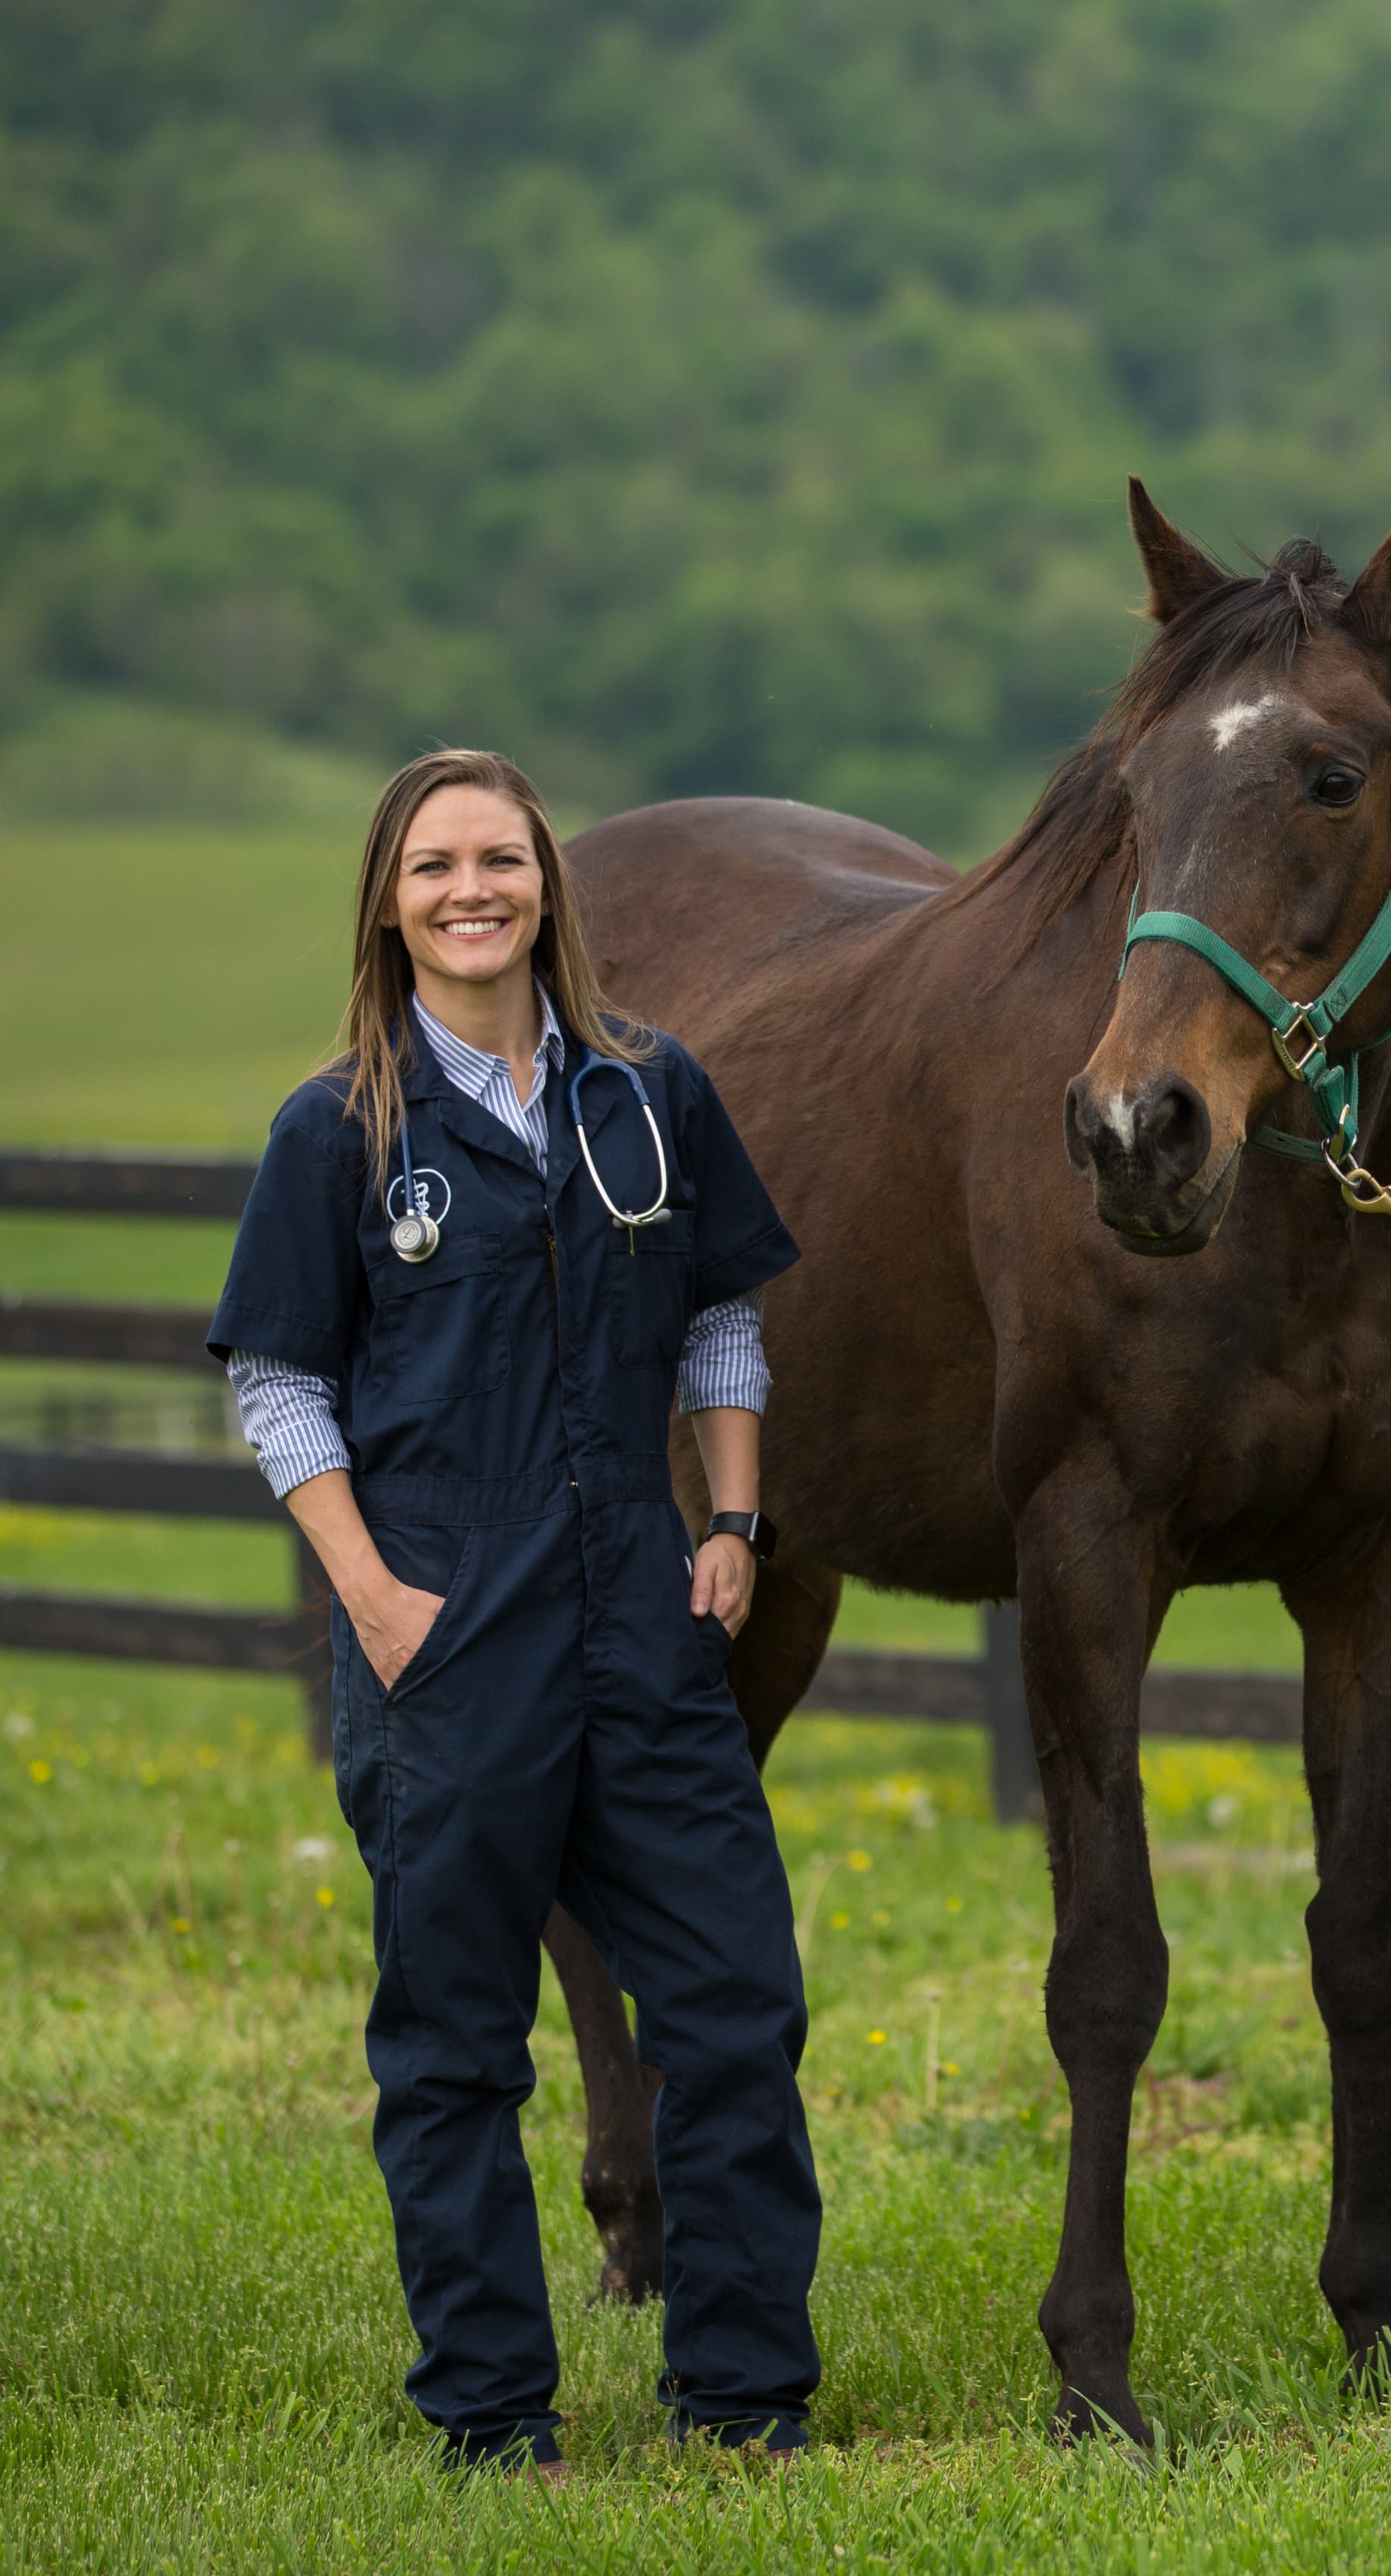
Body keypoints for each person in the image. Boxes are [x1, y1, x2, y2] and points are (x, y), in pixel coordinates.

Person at [207, 749, 820, 2474]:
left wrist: (736, 1514)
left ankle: (745, 2395)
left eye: (501, 860)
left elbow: (720, 1323)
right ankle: (492, 2416)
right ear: (388, 902)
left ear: (547, 884)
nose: (471, 891)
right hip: (443, 1618)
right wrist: (378, 1602)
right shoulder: (336, 1128)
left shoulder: (652, 1093)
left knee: (732, 2005)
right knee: (457, 2044)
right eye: (434, 866)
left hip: (642, 1595)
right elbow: (279, 1385)